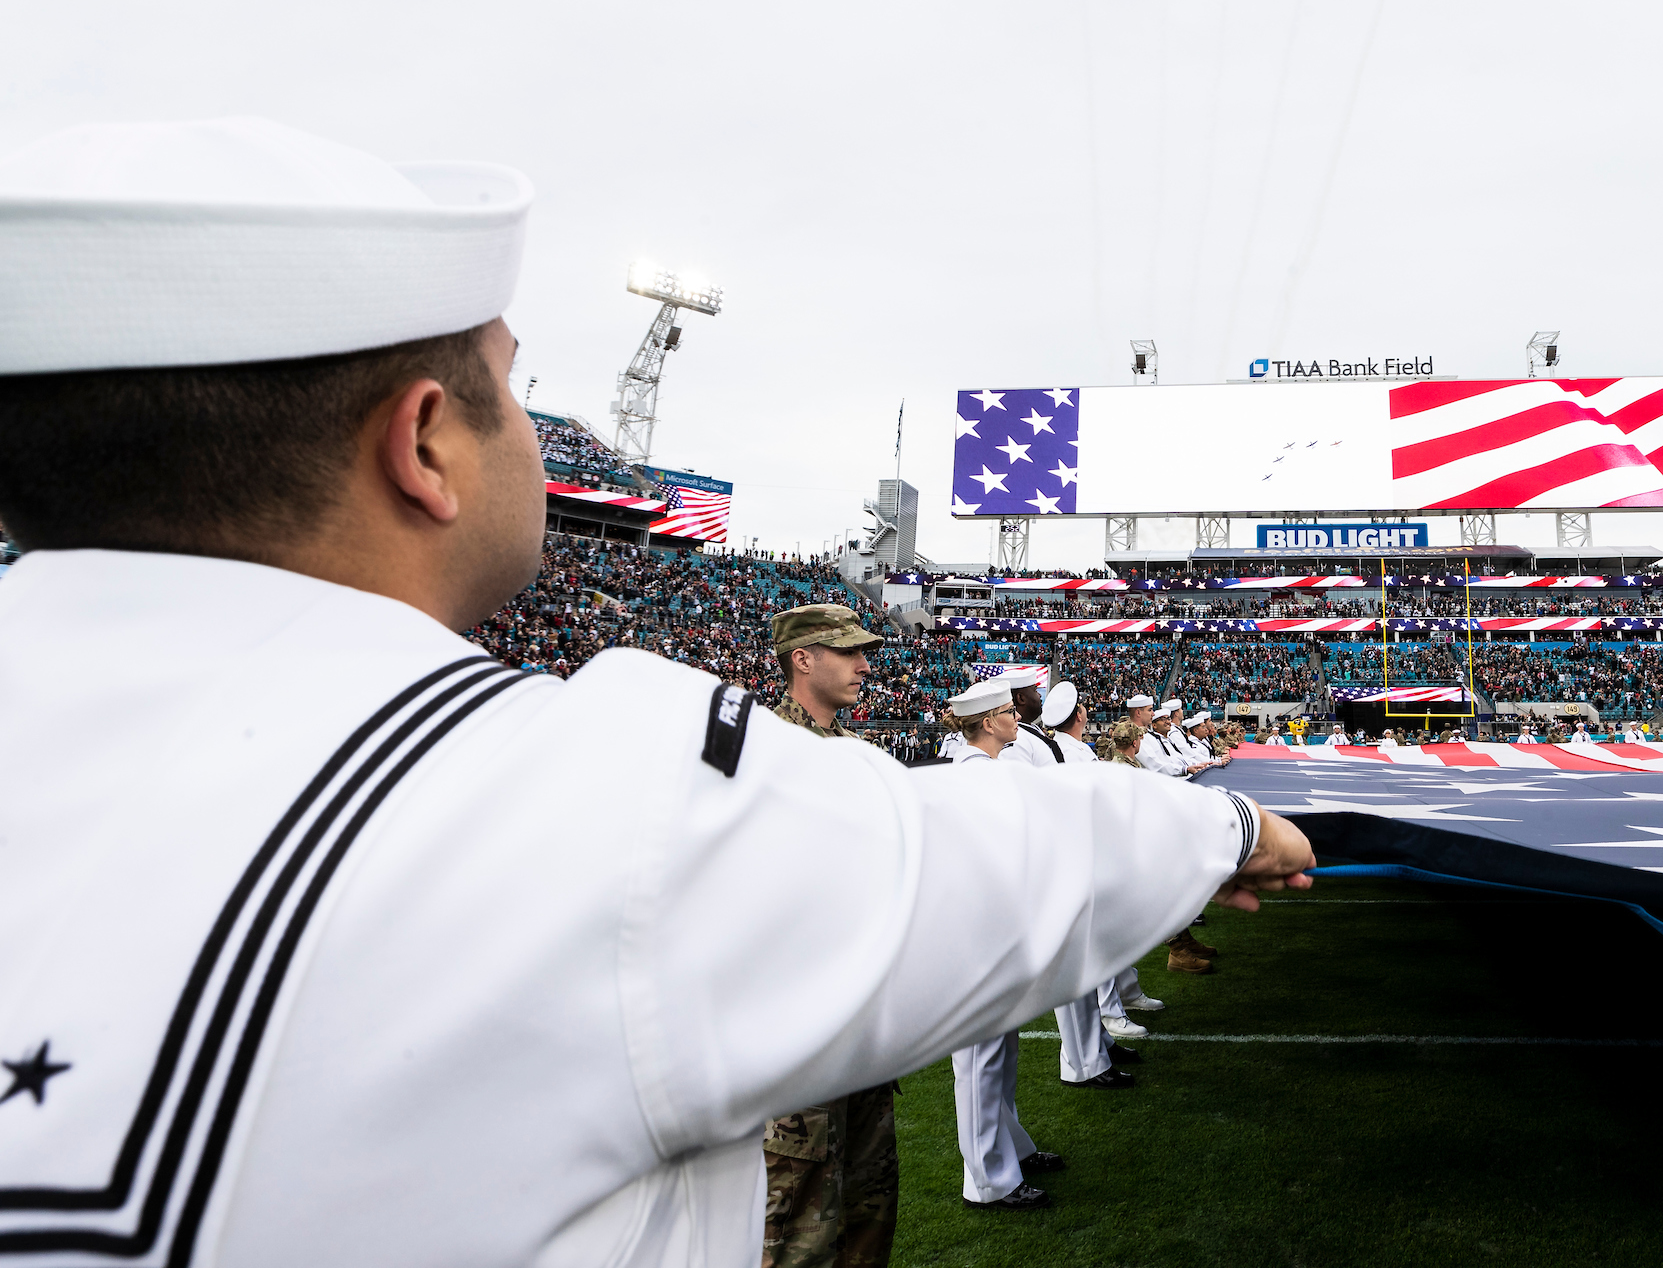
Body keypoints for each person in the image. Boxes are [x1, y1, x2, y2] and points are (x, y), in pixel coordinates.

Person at [0, 116, 1315, 1265]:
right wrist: (1230, 827)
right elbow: (982, 867)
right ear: (421, 445)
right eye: (510, 386)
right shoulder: (577, 799)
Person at [759, 602, 900, 1268]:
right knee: (801, 1224)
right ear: (802, 659)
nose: (865, 665)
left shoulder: (854, 754)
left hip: (861, 1023)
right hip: (795, 1021)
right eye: (848, 652)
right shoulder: (760, 750)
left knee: (870, 1205)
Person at [939, 680, 1070, 1210]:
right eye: (1007, 712)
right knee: (979, 1060)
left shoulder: (985, 771)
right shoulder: (977, 777)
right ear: (988, 723)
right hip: (975, 934)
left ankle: (1010, 1147)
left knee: (1002, 1053)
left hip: (993, 929)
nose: (1017, 717)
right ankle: (990, 1181)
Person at [997, 677, 1137, 1090]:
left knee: (1087, 965)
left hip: (1071, 856)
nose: (1042, 697)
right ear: (1019, 699)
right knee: (1072, 970)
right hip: (1053, 864)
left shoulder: (1032, 735)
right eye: (1035, 693)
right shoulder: (1017, 743)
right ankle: (1083, 1064)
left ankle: (1099, 1045)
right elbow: (1027, 799)